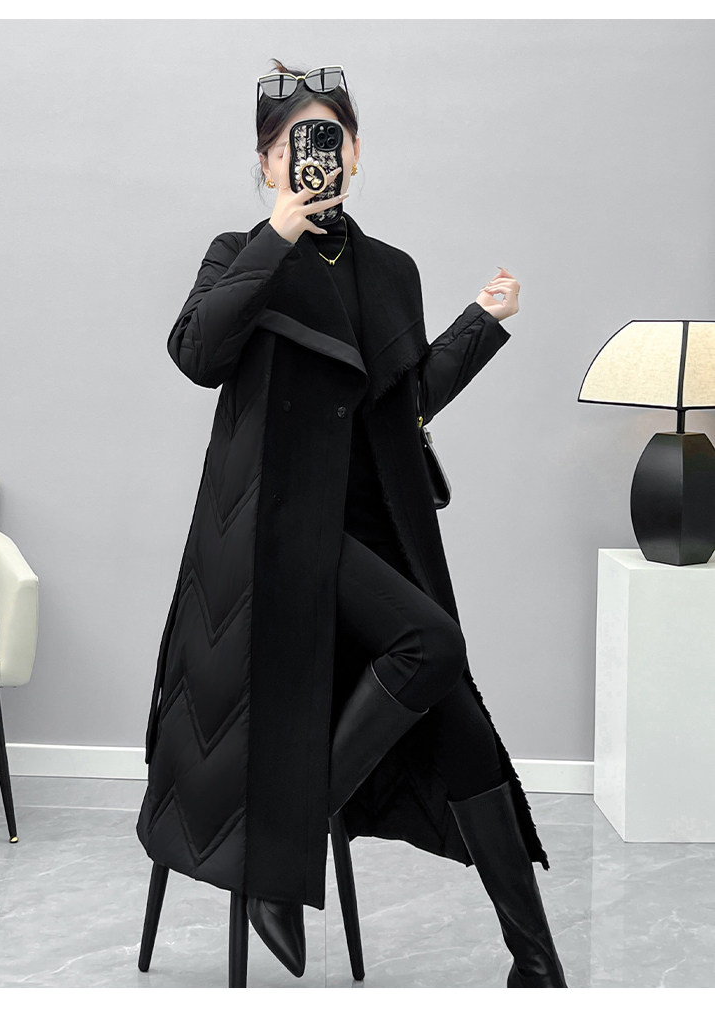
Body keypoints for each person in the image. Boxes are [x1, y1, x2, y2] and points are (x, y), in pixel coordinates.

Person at [138, 60, 567, 988]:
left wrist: (481, 323)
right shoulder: (238, 253)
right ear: (266, 162)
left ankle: (537, 966)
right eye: (294, 142)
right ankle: (284, 846)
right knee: (432, 642)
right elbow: (197, 353)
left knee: (461, 723)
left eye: (329, 137)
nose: (314, 154)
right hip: (278, 535)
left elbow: (403, 405)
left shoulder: (392, 270)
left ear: (357, 154)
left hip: (377, 532)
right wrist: (279, 234)